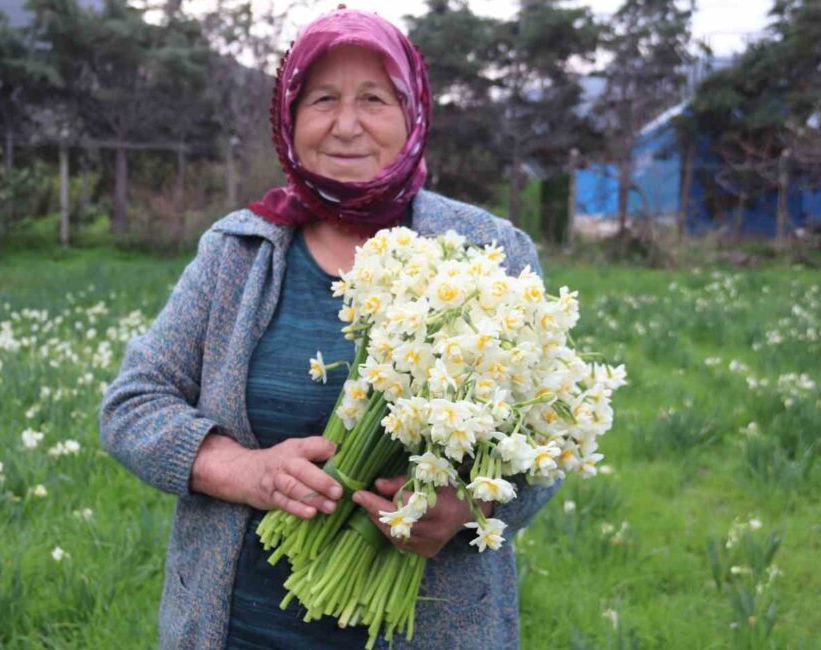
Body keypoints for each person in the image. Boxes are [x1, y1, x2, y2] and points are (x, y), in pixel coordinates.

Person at [99, 7, 561, 649]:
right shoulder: (239, 251)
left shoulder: (488, 252)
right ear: (290, 120)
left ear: (413, 114)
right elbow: (132, 405)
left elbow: (544, 443)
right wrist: (241, 469)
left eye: (373, 98)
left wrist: (468, 511)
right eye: (322, 100)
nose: (346, 125)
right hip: (239, 633)